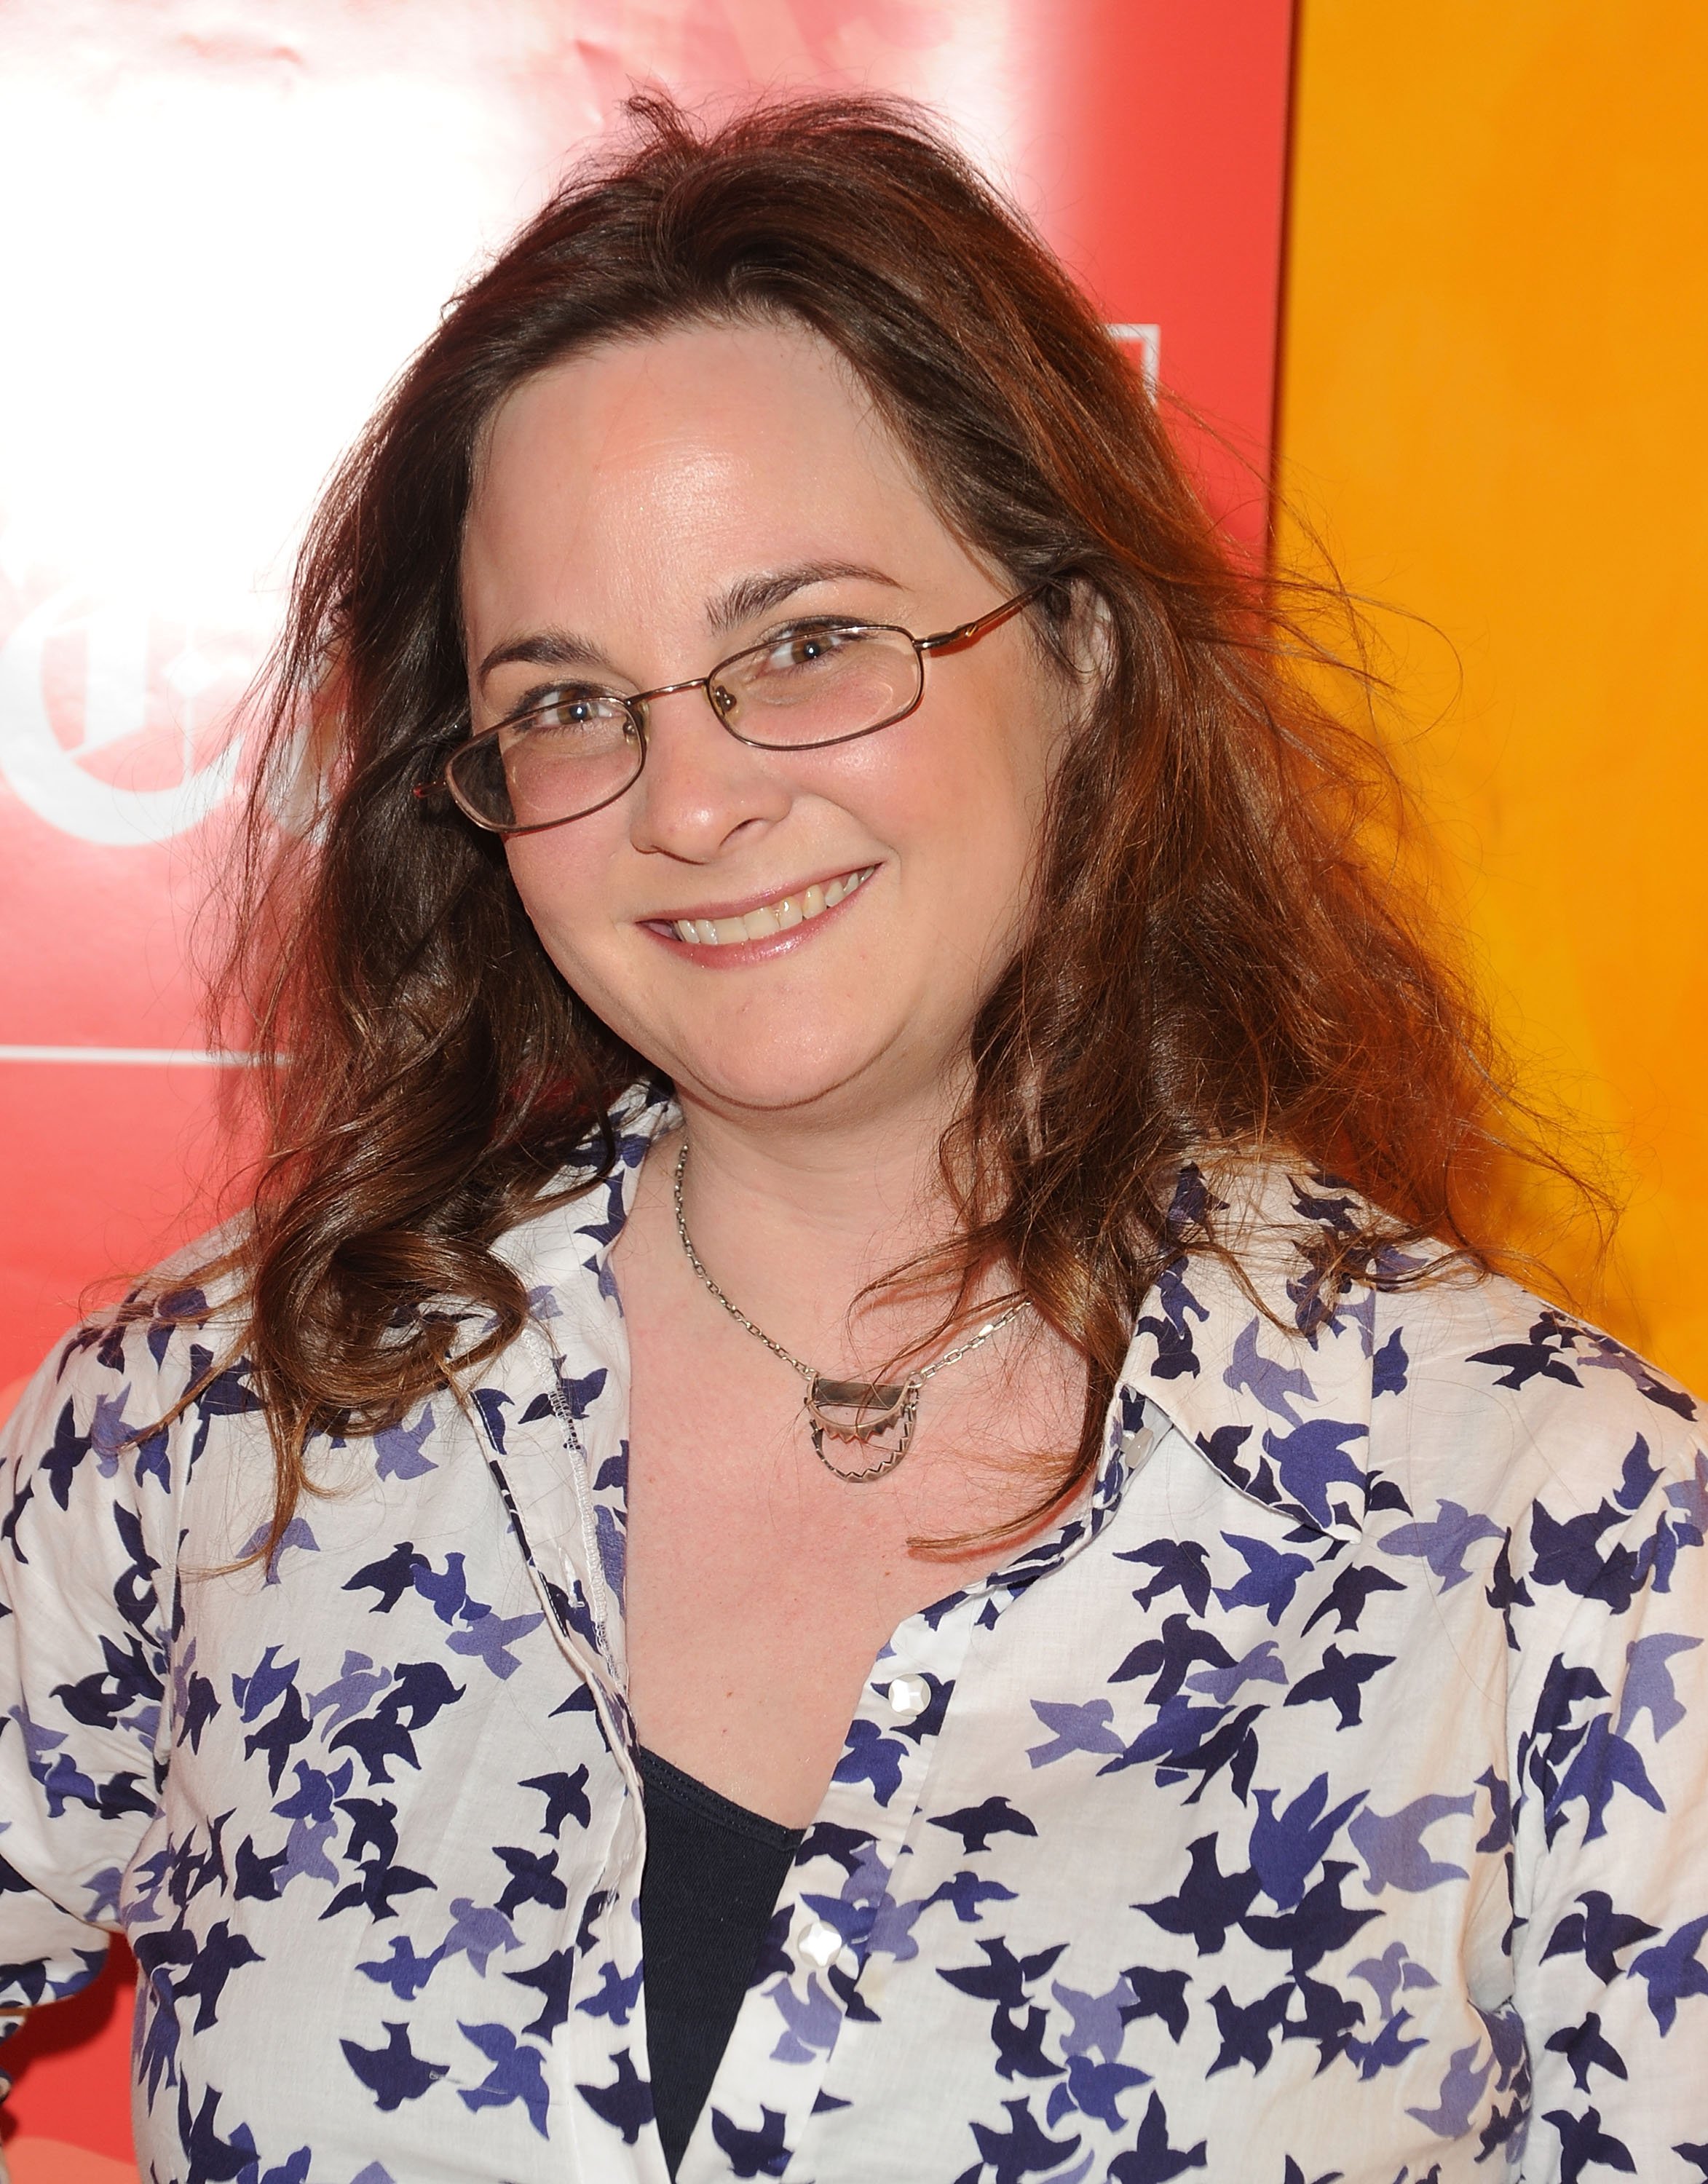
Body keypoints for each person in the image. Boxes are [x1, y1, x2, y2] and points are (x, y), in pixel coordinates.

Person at [2, 90, 1705, 2184]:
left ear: (1079, 653)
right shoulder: (217, 1426)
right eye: (563, 702)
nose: (689, 802)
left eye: (804, 646)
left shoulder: (1568, 1533)